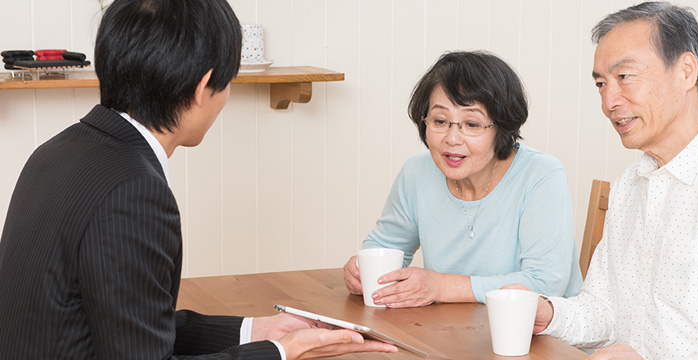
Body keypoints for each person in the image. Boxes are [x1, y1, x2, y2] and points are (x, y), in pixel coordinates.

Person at [0, 0, 396, 359]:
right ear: (203, 87)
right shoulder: (133, 190)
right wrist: (279, 354)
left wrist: (256, 331)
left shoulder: (56, 152)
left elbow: (128, 325)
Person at [511, 2, 698, 359]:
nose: (608, 101)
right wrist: (549, 314)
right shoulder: (630, 185)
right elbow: (603, 310)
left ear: (685, 72)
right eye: (601, 84)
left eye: (625, 77)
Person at [342, 51, 583, 308]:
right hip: (451, 333)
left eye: (472, 124)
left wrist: (441, 286)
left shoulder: (541, 174)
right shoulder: (417, 172)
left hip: (539, 338)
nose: (452, 138)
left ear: (501, 127)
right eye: (440, 120)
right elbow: (385, 247)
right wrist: (360, 269)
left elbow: (545, 282)